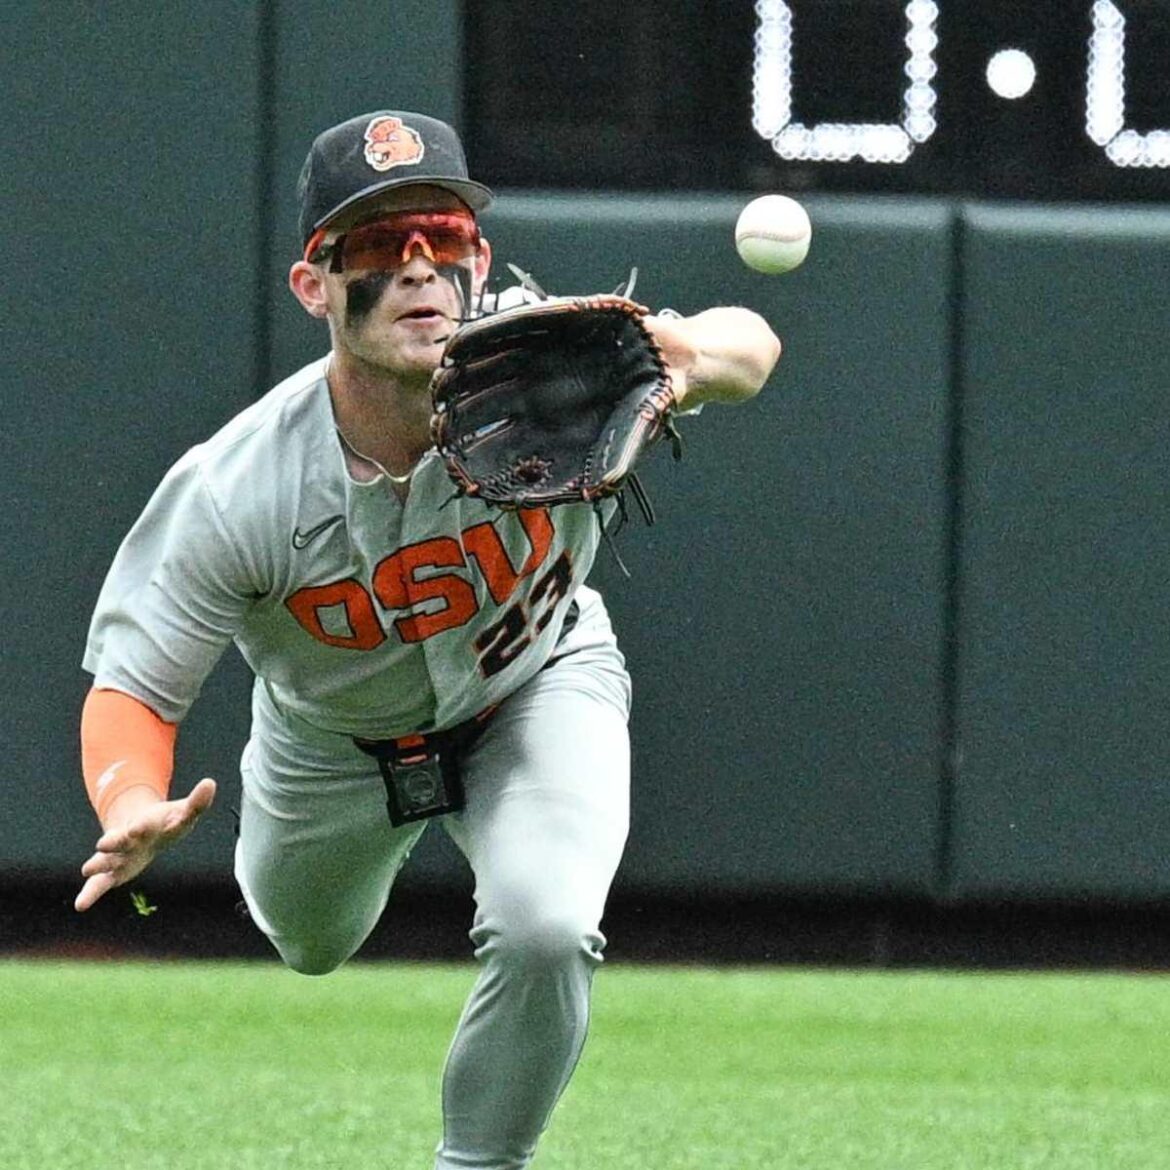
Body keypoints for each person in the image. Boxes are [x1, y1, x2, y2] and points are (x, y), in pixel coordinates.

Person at [75, 110, 781, 1169]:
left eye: (441, 239)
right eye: (375, 246)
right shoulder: (239, 487)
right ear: (314, 284)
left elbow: (754, 346)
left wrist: (681, 357)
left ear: (477, 262)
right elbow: (135, 685)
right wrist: (129, 800)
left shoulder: (560, 357)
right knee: (309, 945)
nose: (417, 268)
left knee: (547, 928)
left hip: (537, 682)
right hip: (331, 744)